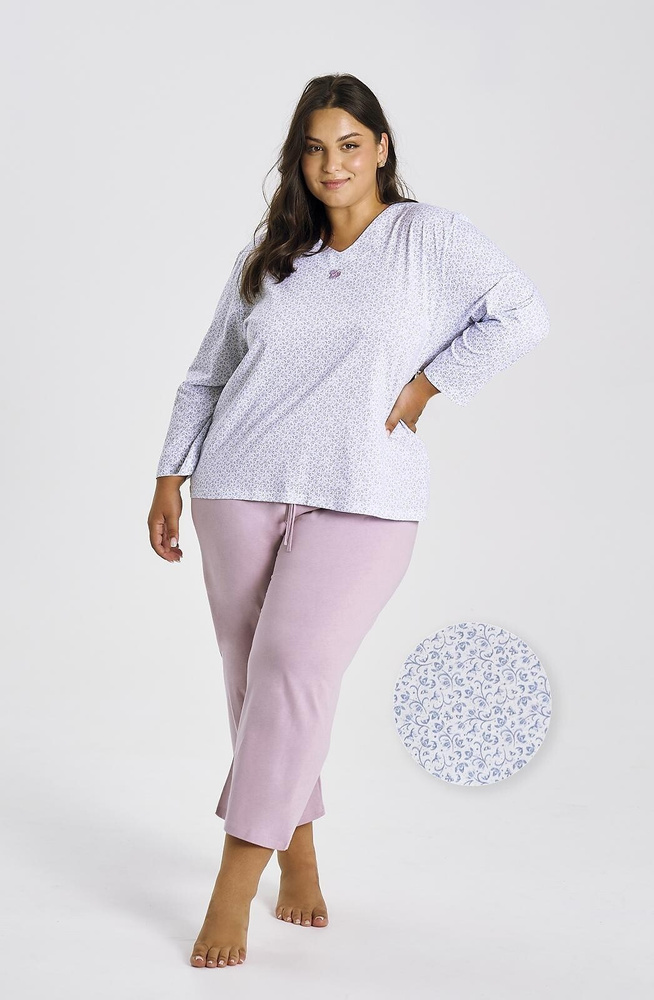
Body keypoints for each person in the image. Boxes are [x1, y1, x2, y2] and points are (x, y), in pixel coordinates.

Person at [147, 73, 550, 970]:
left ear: (381, 148)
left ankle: (230, 888)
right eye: (315, 148)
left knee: (293, 669)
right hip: (236, 484)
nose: (332, 164)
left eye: (350, 145)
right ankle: (298, 855)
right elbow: (209, 374)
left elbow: (523, 313)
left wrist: (429, 385)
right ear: (299, 159)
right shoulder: (271, 256)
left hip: (366, 493)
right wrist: (170, 473)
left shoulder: (427, 237)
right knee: (254, 684)